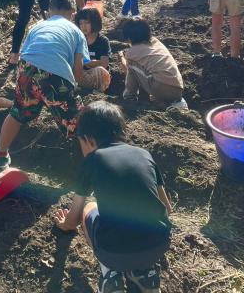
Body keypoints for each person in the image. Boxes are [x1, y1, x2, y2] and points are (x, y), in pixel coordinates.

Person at [55, 101, 172, 293]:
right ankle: (144, 273)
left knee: (90, 207)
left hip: (114, 253)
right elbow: (167, 208)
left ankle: (110, 274)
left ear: (88, 139)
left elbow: (73, 219)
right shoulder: (144, 154)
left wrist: (64, 224)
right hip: (159, 245)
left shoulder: (91, 160)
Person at [0, 0, 89, 169]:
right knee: (77, 123)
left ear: (49, 11)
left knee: (17, 113)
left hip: (26, 70)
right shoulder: (76, 32)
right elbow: (78, 69)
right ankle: (89, 166)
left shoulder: (37, 26)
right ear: (73, 13)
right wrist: (73, 89)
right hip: (56, 76)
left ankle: (0, 154)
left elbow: (26, 54)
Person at [118, 19, 185, 108]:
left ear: (129, 38)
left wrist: (122, 57)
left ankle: (129, 97)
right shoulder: (156, 42)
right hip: (178, 89)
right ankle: (163, 101)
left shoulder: (131, 53)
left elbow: (128, 69)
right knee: (149, 71)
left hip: (160, 88)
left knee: (131, 66)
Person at [76, 7, 111, 92]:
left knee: (100, 70)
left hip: (97, 76)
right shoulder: (78, 39)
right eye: (81, 23)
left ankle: (97, 91)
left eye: (87, 22)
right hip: (81, 74)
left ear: (95, 22)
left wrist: (85, 62)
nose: (84, 26)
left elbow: (104, 63)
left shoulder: (102, 41)